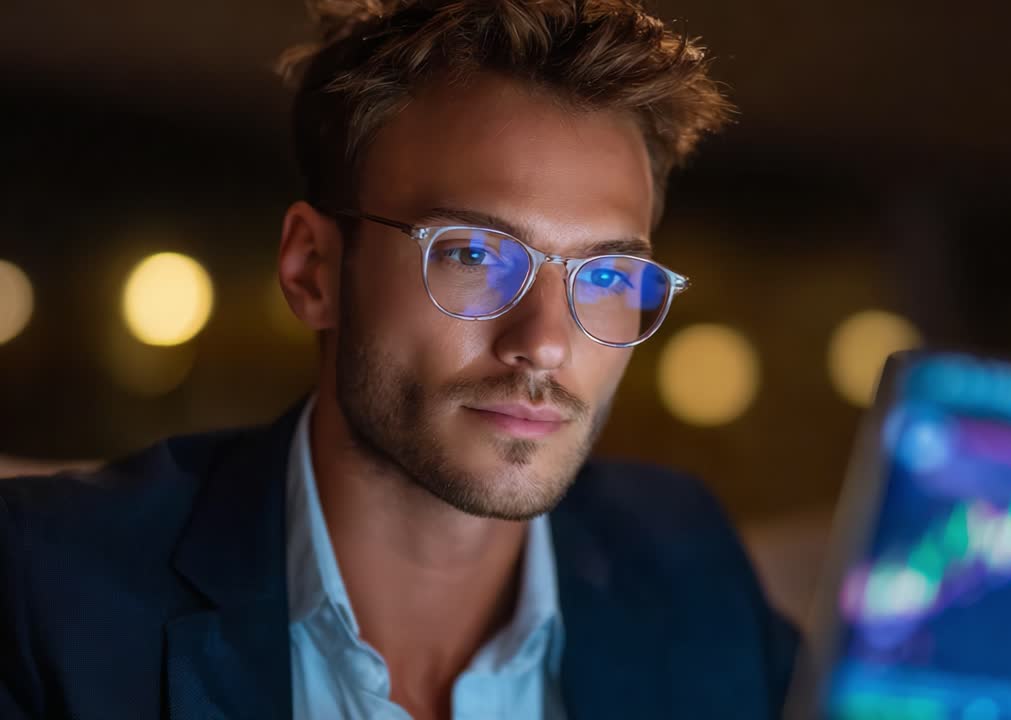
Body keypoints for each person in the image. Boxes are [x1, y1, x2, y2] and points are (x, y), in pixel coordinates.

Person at [0, 1, 799, 718]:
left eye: (609, 276)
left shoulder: (689, 564)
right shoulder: (45, 590)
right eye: (475, 255)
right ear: (312, 270)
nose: (546, 341)